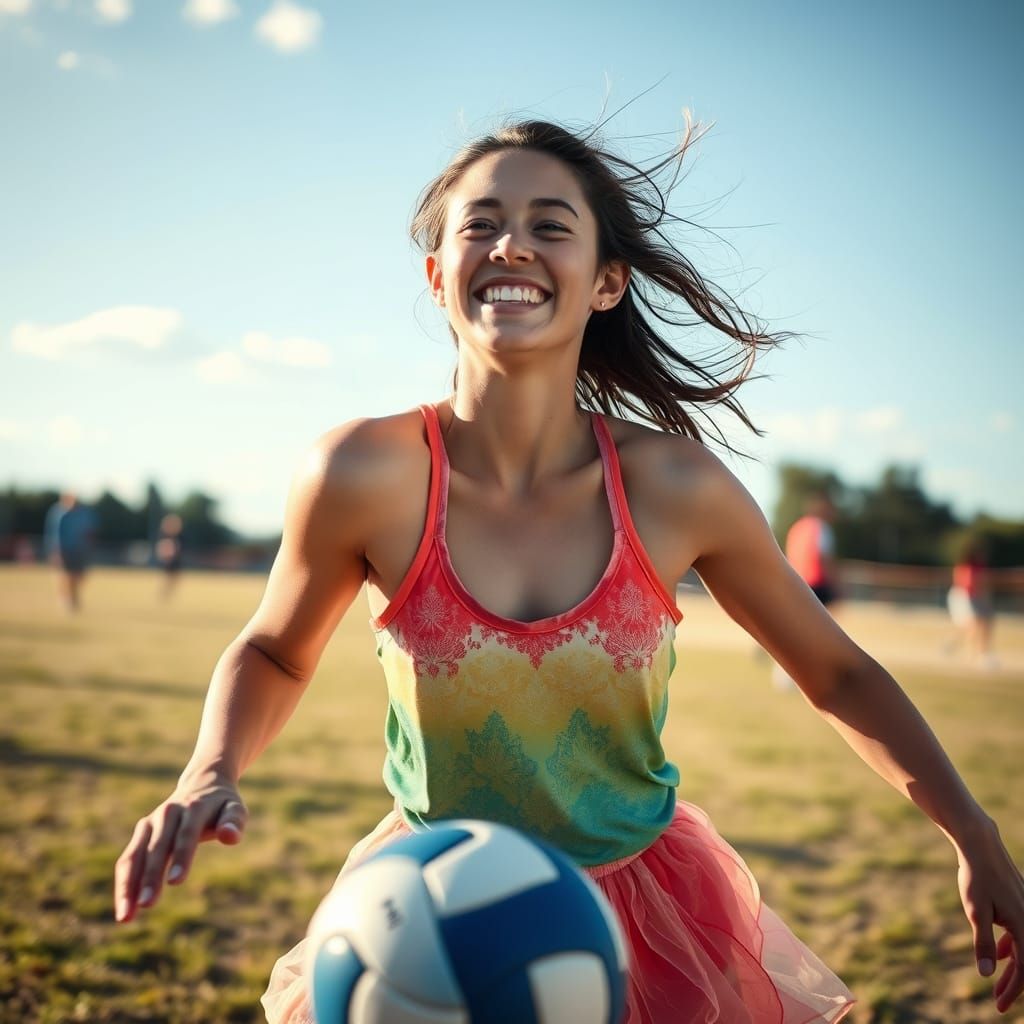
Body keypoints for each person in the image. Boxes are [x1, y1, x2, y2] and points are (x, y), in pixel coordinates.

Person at [113, 116, 1024, 1022]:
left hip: (651, 922)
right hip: (428, 914)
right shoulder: (362, 473)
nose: (512, 244)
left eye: (551, 225)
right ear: (439, 276)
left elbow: (835, 670)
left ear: (605, 282)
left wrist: (973, 833)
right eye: (481, 224)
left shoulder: (675, 485)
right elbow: (275, 650)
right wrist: (209, 768)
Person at [773, 494, 840, 690]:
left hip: (796, 583)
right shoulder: (822, 529)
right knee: (813, 634)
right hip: (816, 584)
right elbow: (823, 558)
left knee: (796, 631)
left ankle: (785, 674)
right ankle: (798, 676)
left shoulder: (797, 528)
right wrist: (835, 585)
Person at [946, 538, 997, 669]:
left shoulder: (980, 567)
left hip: (977, 597)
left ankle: (983, 654)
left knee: (984, 625)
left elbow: (983, 585)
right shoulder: (965, 567)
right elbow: (967, 584)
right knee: (972, 626)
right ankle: (968, 654)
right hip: (965, 597)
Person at [43, 490, 97, 613]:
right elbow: (54, 534)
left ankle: (73, 597)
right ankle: (67, 600)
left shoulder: (84, 514)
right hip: (64, 550)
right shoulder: (59, 514)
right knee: (65, 576)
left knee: (79, 576)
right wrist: (56, 552)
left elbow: (91, 532)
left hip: (80, 550)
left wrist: (90, 547)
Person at [155, 513, 185, 603]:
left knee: (173, 579)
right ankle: (164, 594)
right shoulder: (166, 538)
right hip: (170, 561)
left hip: (175, 561)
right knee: (171, 579)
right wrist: (167, 559)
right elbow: (164, 550)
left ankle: (165, 594)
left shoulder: (176, 538)